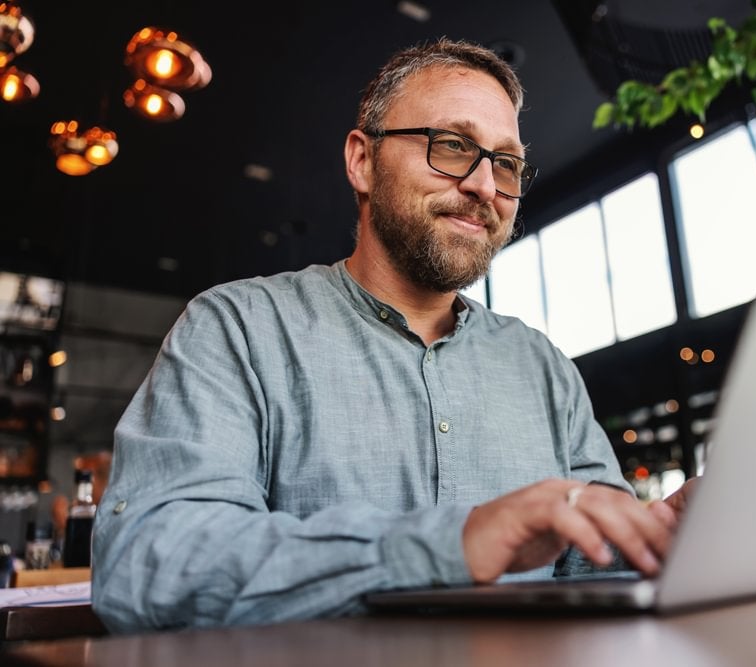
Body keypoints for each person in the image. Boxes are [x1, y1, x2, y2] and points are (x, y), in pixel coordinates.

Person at [92, 38, 694, 633]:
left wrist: (668, 534)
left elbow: (594, 569)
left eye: (506, 164)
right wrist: (448, 545)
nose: (486, 186)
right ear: (362, 161)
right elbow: (148, 565)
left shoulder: (543, 367)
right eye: (453, 146)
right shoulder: (239, 330)